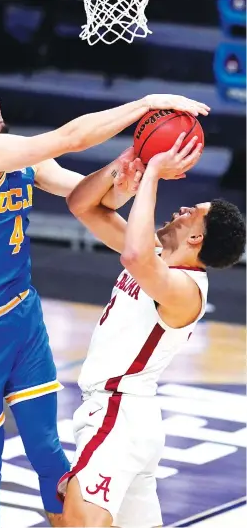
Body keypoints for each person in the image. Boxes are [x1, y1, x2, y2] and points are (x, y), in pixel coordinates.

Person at [0, 53, 211, 528]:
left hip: (22, 321)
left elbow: (89, 196)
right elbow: (71, 138)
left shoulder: (16, 156)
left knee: (50, 454)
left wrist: (128, 168)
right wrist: (148, 104)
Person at [58, 134, 246, 528]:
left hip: (117, 412)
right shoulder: (159, 260)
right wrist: (130, 159)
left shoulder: (185, 290)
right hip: (129, 418)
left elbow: (133, 254)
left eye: (190, 212)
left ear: (196, 238)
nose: (180, 209)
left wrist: (155, 175)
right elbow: (81, 205)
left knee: (73, 520)